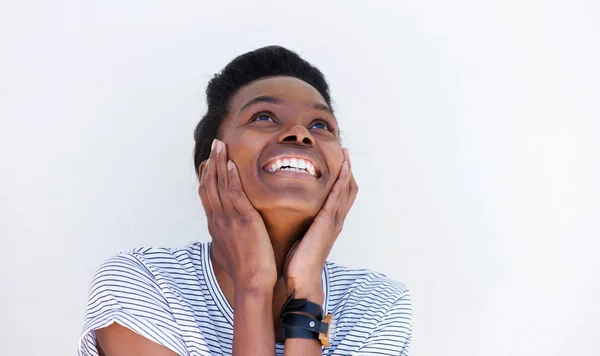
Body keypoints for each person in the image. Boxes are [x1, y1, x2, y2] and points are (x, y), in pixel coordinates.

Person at [78, 46, 412, 356]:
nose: (300, 133)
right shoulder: (144, 284)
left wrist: (307, 291)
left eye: (320, 124)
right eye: (264, 117)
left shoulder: (376, 304)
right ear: (212, 168)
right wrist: (253, 284)